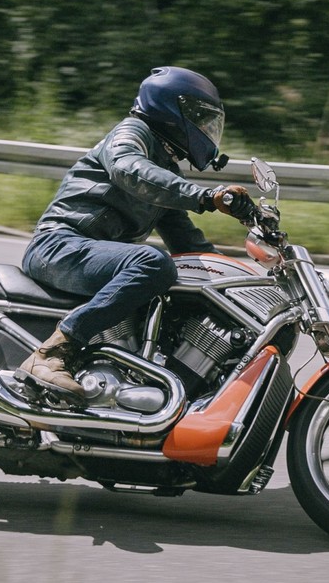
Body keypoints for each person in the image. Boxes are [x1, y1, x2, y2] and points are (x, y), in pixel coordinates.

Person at [15, 66, 256, 403]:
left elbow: (190, 245)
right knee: (153, 263)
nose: (205, 129)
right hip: (58, 245)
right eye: (200, 118)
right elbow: (129, 169)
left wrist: (243, 285)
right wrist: (204, 196)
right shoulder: (131, 134)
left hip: (86, 252)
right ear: (173, 109)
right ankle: (52, 353)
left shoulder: (164, 172)